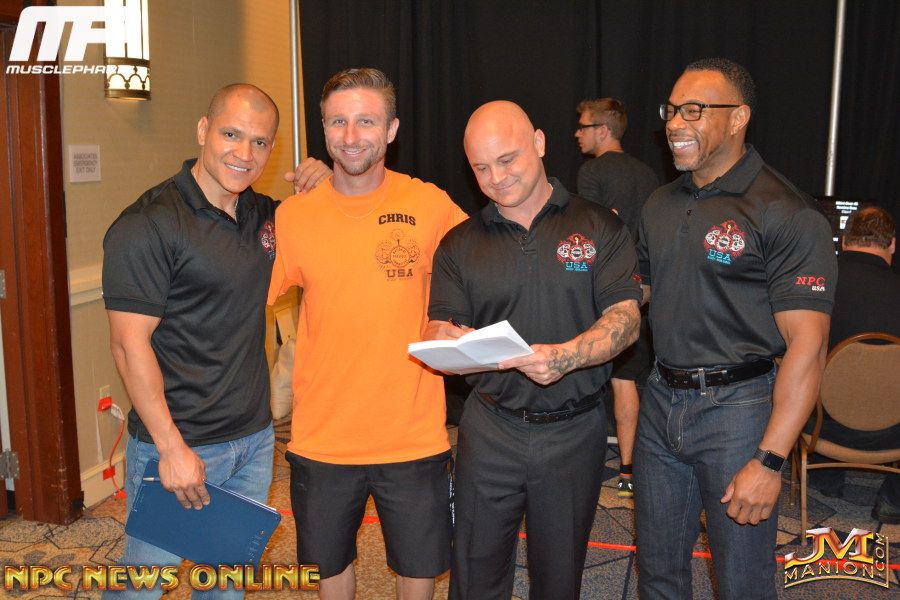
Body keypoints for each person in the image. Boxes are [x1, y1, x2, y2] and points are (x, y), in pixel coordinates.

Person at [102, 83, 328, 599]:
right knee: (142, 587)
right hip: (179, 443)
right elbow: (129, 347)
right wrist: (170, 448)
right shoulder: (149, 224)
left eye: (260, 142)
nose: (244, 153)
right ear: (203, 130)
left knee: (226, 586)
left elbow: (332, 229)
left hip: (254, 440)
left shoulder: (264, 215)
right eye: (231, 134)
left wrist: (326, 181)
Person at [635, 58, 837, 599]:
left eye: (694, 110)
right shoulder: (659, 203)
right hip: (660, 401)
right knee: (657, 572)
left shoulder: (786, 212)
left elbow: (809, 346)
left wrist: (769, 460)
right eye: (671, 110)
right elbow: (638, 294)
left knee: (741, 581)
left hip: (739, 412)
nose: (675, 123)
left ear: (738, 117)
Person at [425, 100, 642, 599]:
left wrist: (565, 356)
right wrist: (443, 338)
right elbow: (442, 323)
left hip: (573, 431)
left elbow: (626, 319)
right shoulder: (459, 244)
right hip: (490, 427)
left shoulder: (599, 226)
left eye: (507, 160)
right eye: (481, 167)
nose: (496, 178)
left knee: (559, 574)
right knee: (475, 569)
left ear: (539, 143)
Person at [267, 68, 467, 600]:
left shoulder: (430, 205)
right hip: (323, 436)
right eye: (338, 122)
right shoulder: (294, 216)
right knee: (328, 565)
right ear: (323, 129)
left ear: (392, 129)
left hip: (412, 433)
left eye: (366, 121)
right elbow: (239, 302)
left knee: (419, 566)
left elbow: (486, 269)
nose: (351, 135)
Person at [575, 97, 659, 497]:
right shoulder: (649, 174)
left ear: (603, 130)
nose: (577, 134)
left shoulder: (592, 171)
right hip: (643, 289)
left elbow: (588, 232)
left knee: (584, 376)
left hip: (601, 287)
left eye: (583, 126)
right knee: (626, 382)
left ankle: (576, 464)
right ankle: (629, 471)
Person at [807, 206, 899, 521]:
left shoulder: (814, 289)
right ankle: (894, 499)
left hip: (821, 429)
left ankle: (824, 476)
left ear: (844, 241)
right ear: (892, 245)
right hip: (894, 433)